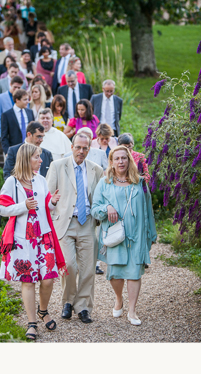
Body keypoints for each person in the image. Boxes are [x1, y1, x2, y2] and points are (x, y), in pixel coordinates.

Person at [0, 143, 65, 340]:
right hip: (22, 239)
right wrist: (22, 206)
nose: (41, 160)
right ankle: (32, 322)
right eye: (37, 157)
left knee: (48, 279)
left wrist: (52, 202)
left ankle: (43, 310)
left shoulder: (41, 180)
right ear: (26, 159)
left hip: (43, 237)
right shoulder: (12, 182)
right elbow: (1, 208)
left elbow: (45, 206)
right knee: (28, 281)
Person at [92, 146, 157, 325]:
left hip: (136, 234)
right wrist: (107, 208)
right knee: (115, 274)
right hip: (114, 235)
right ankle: (119, 298)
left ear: (129, 160)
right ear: (111, 162)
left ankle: (133, 311)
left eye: (124, 158)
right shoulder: (104, 183)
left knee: (135, 272)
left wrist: (151, 232)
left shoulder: (140, 182)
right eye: (117, 158)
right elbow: (95, 209)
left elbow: (148, 209)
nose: (121, 161)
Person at [46, 133, 104, 324]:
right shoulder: (57, 166)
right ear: (72, 147)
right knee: (69, 265)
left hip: (87, 222)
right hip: (64, 222)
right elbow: (48, 198)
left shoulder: (96, 169)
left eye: (85, 148)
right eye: (78, 147)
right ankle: (68, 302)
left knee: (88, 269)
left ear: (89, 149)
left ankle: (83, 307)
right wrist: (52, 206)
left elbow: (99, 197)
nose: (81, 151)